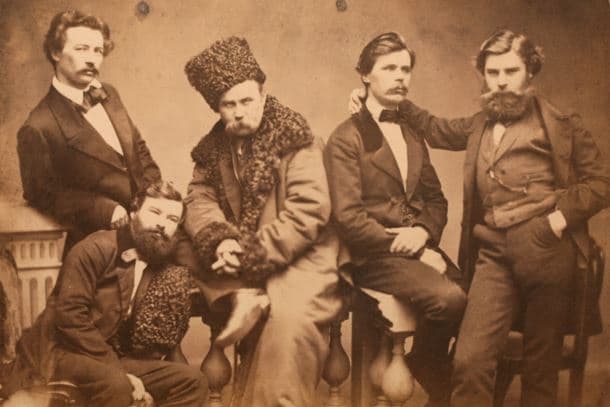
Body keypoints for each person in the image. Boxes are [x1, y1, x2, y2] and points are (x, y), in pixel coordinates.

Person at [366, 29, 610, 406]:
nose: (501, 82)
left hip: (548, 254)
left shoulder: (561, 124)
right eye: (492, 73)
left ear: (530, 72)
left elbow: (602, 181)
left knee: (539, 372)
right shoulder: (480, 123)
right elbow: (435, 129)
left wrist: (558, 220)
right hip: (494, 256)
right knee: (470, 362)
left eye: (511, 71)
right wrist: (383, 100)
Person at [181, 37, 341, 406]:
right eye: (229, 104)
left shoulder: (297, 139)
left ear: (263, 95)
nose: (239, 112)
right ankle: (242, 293)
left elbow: (308, 212)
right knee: (181, 243)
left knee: (288, 327)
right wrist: (222, 241)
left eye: (247, 101)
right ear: (217, 107)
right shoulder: (213, 149)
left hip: (301, 255)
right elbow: (199, 198)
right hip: (242, 256)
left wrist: (249, 253)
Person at [326, 32, 467, 406]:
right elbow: (348, 218)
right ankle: (433, 372)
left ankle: (429, 367)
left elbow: (435, 199)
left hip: (417, 245)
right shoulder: (346, 138)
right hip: (373, 254)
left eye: (405, 69)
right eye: (389, 68)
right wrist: (411, 247)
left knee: (475, 302)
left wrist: (422, 231)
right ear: (365, 75)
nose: (400, 77)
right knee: (449, 299)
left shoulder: (412, 133)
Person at [0, 180, 206, 406]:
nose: (162, 224)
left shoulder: (160, 261)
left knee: (193, 381)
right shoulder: (95, 248)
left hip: (107, 357)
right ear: (134, 212)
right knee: (117, 385)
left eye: (172, 219)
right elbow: (69, 318)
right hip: (59, 352)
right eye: (155, 212)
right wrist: (117, 370)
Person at [17, 9, 161, 248]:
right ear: (55, 52)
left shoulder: (109, 94)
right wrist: (103, 209)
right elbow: (42, 195)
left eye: (98, 51)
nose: (92, 59)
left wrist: (155, 199)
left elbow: (139, 151)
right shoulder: (38, 127)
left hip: (147, 226)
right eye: (82, 49)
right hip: (97, 238)